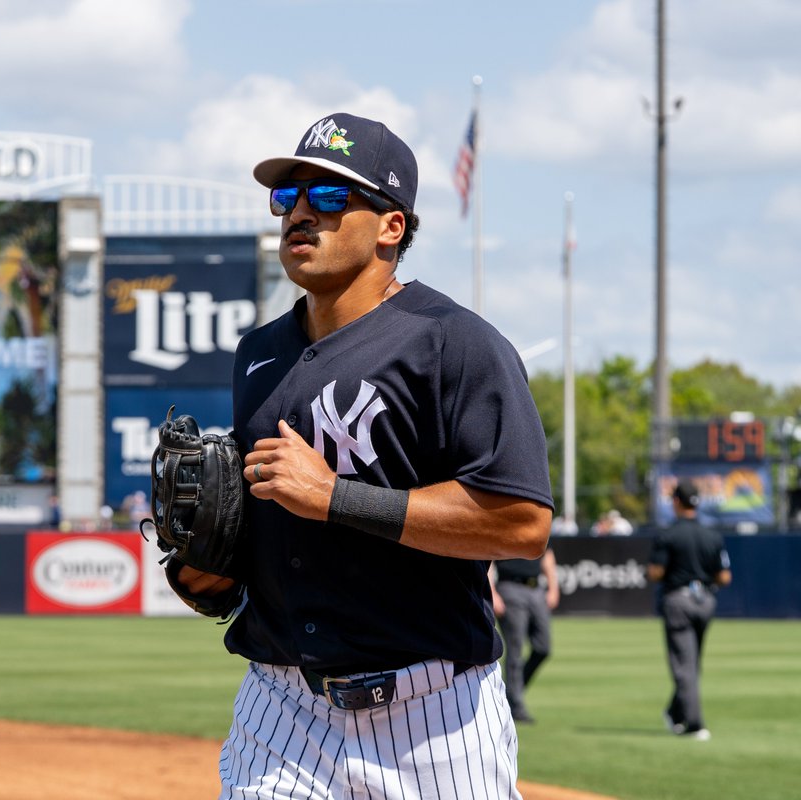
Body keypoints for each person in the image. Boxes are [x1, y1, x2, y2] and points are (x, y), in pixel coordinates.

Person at [172, 113, 553, 799]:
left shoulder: (452, 343)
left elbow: (519, 523)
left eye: (327, 198)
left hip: (432, 716)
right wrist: (210, 572)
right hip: (281, 707)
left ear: (391, 226)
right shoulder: (257, 354)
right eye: (288, 198)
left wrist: (334, 497)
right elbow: (266, 527)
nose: (299, 215)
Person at [647, 478, 732, 741]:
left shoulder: (669, 534)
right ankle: (676, 712)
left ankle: (694, 723)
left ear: (675, 501)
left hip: (679, 600)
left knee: (685, 665)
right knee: (692, 662)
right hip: (705, 600)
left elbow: (655, 572)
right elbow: (724, 577)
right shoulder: (712, 535)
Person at [490, 548, 560, 723]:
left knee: (543, 648)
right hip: (509, 587)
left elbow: (547, 553)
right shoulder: (501, 524)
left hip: (536, 588)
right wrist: (491, 591)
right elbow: (488, 556)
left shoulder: (531, 521)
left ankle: (512, 692)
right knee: (515, 650)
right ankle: (516, 706)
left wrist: (553, 587)